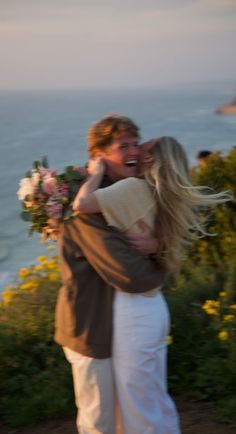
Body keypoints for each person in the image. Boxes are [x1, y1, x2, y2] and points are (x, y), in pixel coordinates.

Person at [73, 136, 232, 434]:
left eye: (139, 151)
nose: (133, 153)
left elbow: (81, 205)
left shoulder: (134, 188)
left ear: (150, 162)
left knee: (138, 409)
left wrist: (94, 173)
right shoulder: (166, 196)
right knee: (154, 400)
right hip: (152, 308)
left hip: (132, 312)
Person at [54, 115, 168, 434]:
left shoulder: (123, 194)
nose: (134, 151)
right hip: (89, 326)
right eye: (123, 146)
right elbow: (130, 275)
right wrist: (162, 265)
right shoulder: (88, 211)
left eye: (136, 143)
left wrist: (161, 246)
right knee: (99, 420)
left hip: (113, 326)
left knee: (125, 415)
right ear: (99, 156)